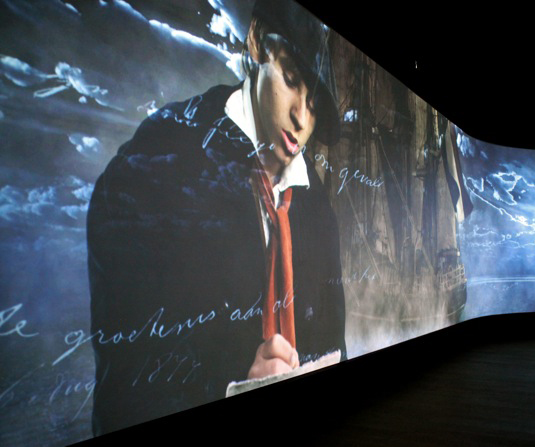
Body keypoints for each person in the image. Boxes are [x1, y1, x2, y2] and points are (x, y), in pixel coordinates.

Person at [87, 0, 346, 435]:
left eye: (315, 104)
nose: (301, 118)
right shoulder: (155, 162)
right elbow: (126, 389)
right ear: (257, 42)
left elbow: (336, 342)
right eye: (291, 79)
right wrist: (231, 389)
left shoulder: (316, 205)